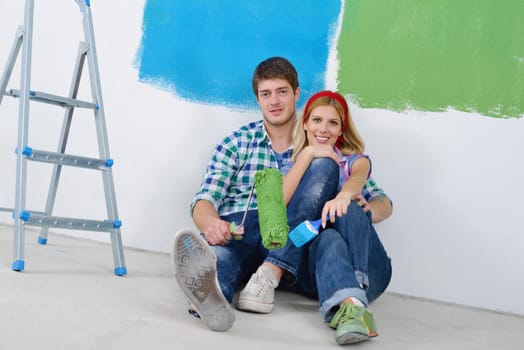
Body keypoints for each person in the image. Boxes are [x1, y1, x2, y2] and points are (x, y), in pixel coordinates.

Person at [172, 57, 392, 343]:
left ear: (297, 94)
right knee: (226, 253)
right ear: (258, 99)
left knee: (328, 236)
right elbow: (204, 199)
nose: (274, 101)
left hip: (297, 246)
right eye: (266, 94)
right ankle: (211, 297)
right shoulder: (237, 143)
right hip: (245, 230)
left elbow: (375, 195)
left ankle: (323, 294)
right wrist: (212, 223)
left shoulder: (323, 143)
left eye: (282, 92)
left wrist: (362, 207)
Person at [236, 90, 392, 345]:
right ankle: (353, 308)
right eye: (317, 120)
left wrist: (356, 202)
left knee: (352, 205)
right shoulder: (289, 164)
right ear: (305, 123)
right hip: (320, 270)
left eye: (333, 123)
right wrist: (308, 155)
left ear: (342, 129)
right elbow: (273, 209)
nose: (324, 129)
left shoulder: (353, 161)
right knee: (328, 235)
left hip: (369, 269)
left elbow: (379, 198)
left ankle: (276, 271)